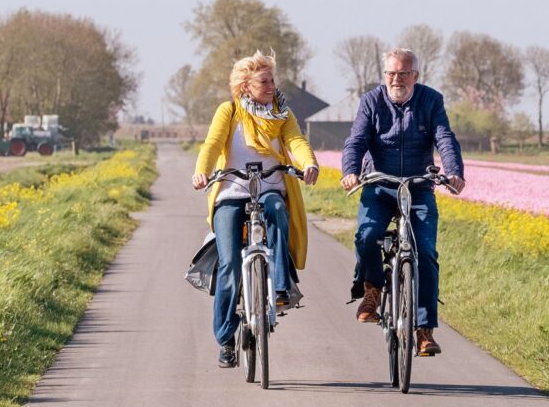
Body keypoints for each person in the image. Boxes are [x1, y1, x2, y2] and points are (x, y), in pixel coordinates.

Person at [192, 53, 319, 367]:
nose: (271, 86)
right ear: (245, 86)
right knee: (229, 264)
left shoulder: (281, 113)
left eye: (272, 80)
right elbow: (211, 144)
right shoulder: (230, 111)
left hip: (270, 189)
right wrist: (202, 171)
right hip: (231, 193)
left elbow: (296, 141)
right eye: (264, 81)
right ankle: (225, 340)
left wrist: (309, 163)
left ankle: (279, 286)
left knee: (277, 209)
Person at [340, 47, 464, 356]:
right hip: (379, 185)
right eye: (391, 73)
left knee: (425, 252)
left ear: (415, 76)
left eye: (403, 73)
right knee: (367, 235)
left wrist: (454, 172)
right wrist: (351, 171)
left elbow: (444, 137)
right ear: (385, 75)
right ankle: (371, 288)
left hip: (419, 186)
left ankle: (424, 329)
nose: (397, 79)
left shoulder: (431, 100)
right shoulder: (371, 101)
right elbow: (356, 140)